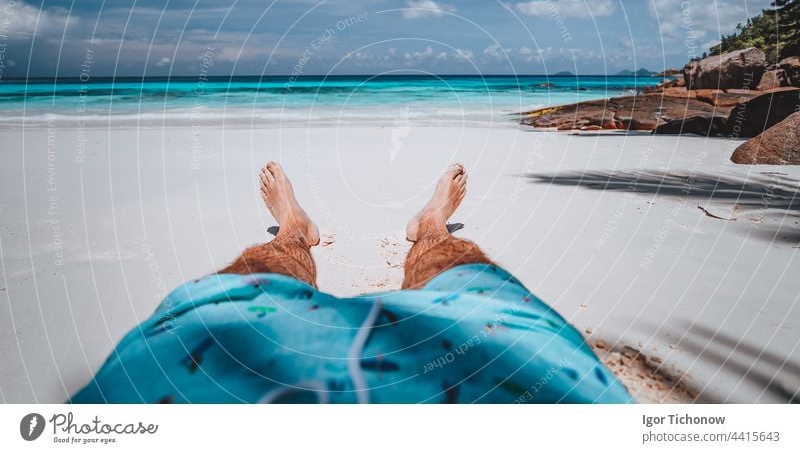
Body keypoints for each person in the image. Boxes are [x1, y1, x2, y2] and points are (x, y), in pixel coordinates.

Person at [71, 162, 632, 404]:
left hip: (204, 367)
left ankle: (295, 229)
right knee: (463, 277)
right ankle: (430, 227)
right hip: (503, 366)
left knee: (259, 279)